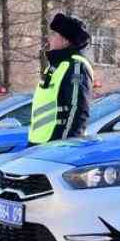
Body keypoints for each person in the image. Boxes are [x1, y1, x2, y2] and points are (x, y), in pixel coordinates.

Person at [28, 13, 94, 146]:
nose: (49, 39)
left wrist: (64, 145)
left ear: (65, 40)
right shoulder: (55, 66)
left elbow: (78, 110)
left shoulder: (76, 65)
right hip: (39, 143)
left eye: (54, 35)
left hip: (56, 146)